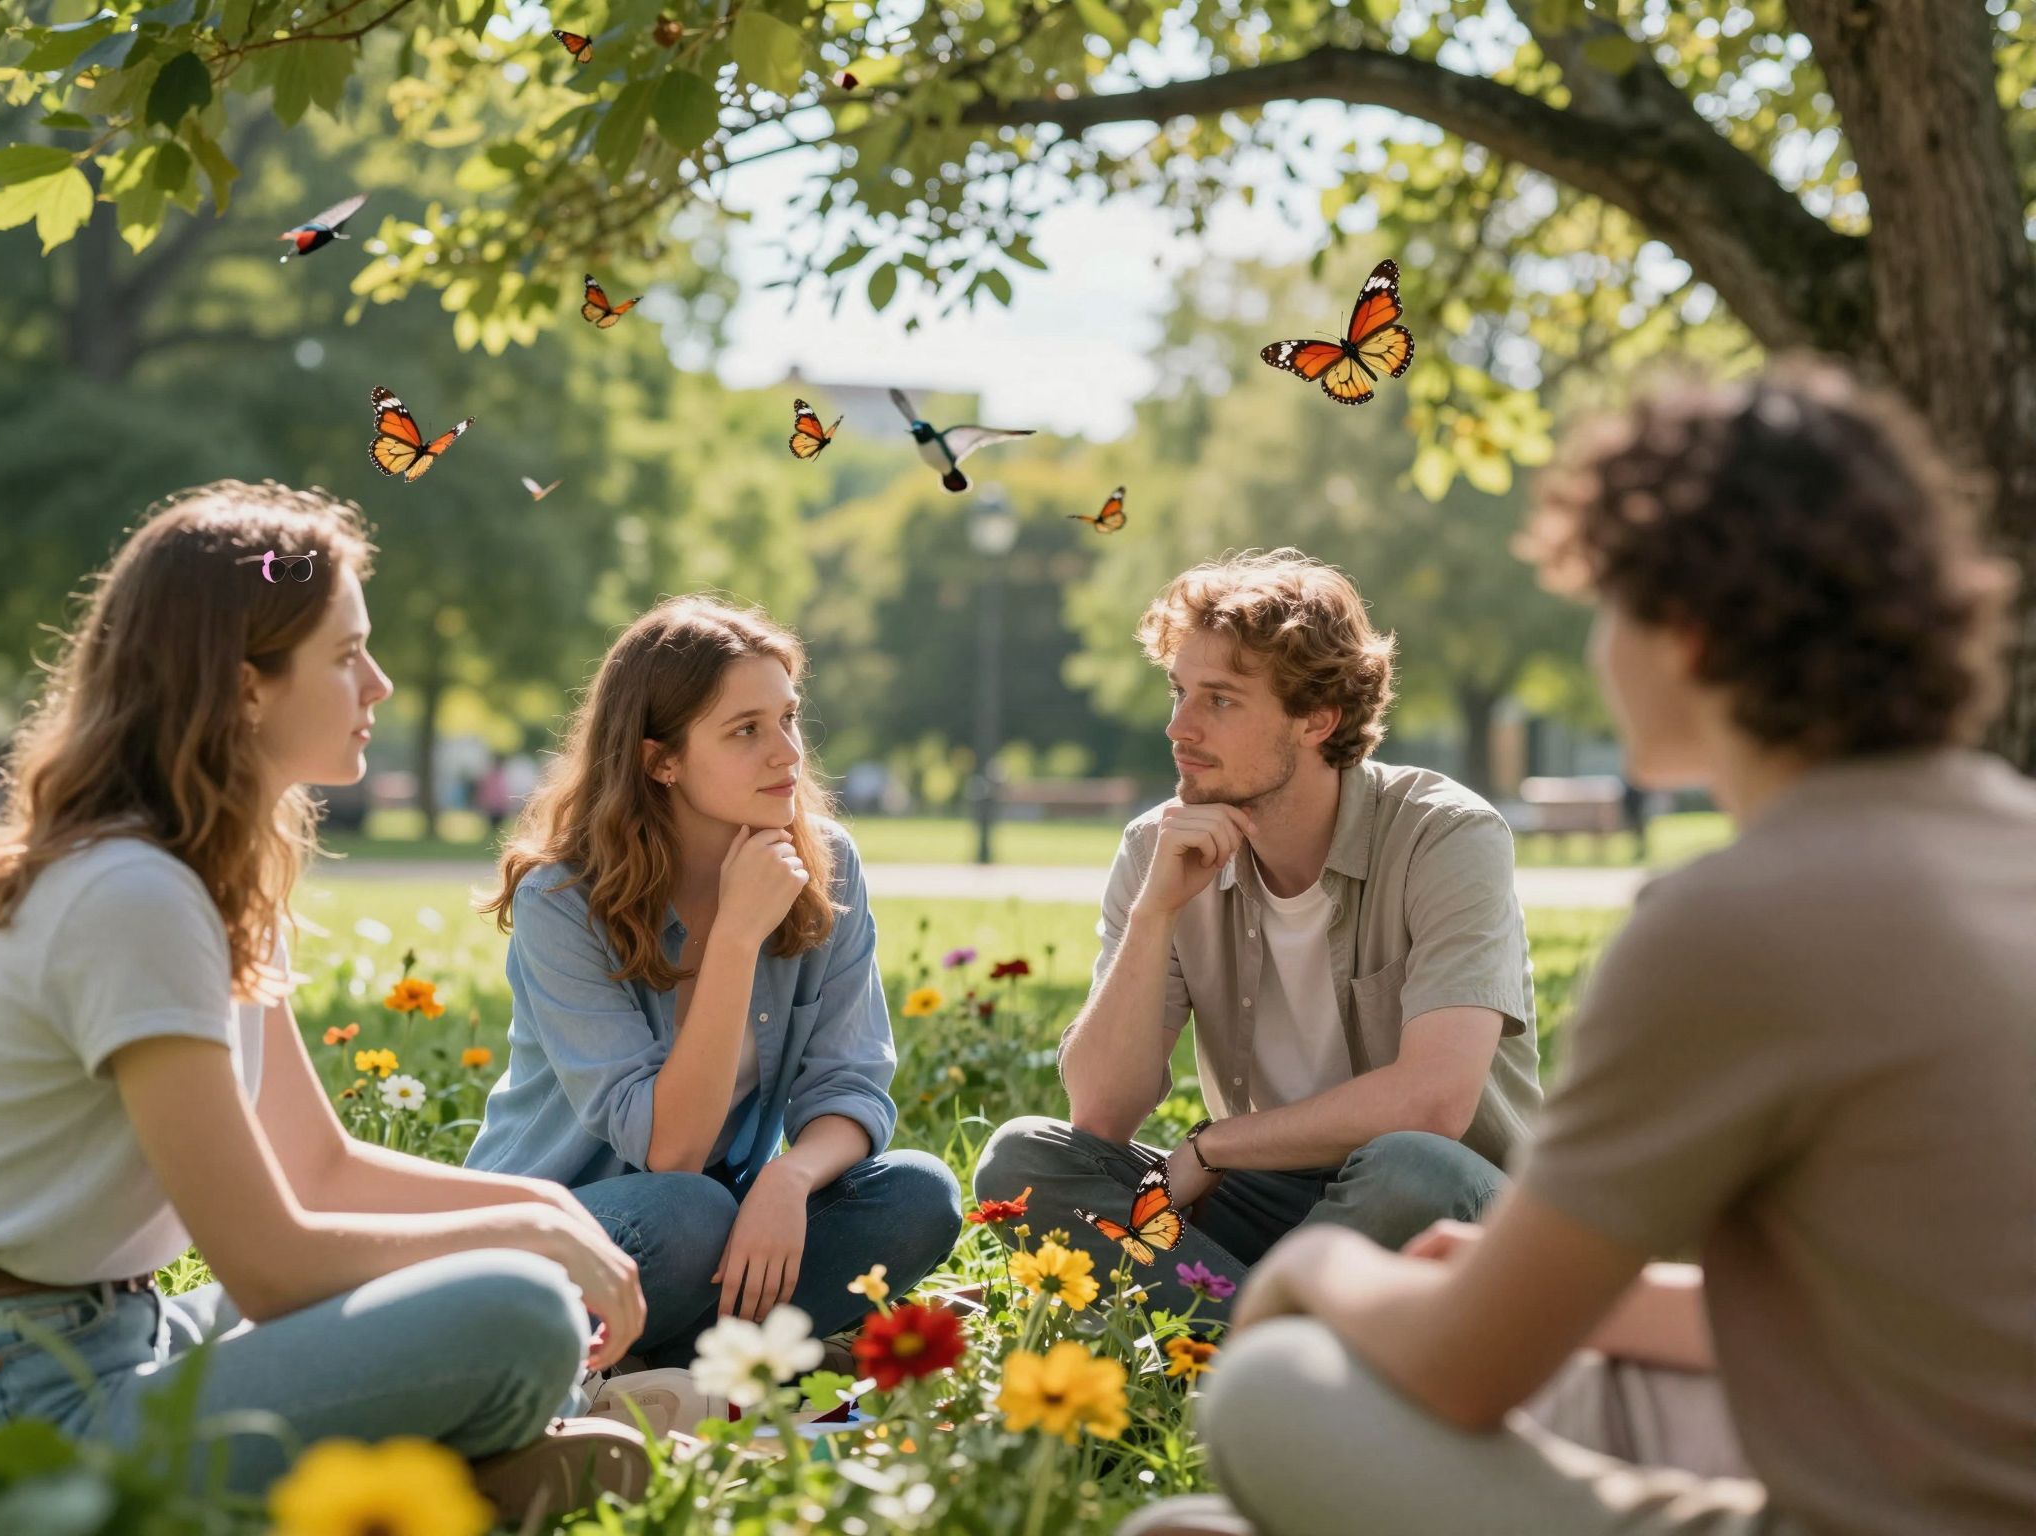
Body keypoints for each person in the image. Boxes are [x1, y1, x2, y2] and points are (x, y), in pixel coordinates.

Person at [1131, 360, 2036, 1536]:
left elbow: (1461, 1371)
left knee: (1268, 1392)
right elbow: (1901, 1311)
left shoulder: (1730, 920)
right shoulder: (2004, 847)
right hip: (1902, 1439)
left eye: (1608, 604)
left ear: (1689, 635)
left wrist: (1314, 1278)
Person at [0, 481, 650, 1522]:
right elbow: (268, 1267)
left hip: (125, 1335)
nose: (378, 684)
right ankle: (454, 1477)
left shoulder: (193, 880)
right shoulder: (132, 896)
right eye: (346, 656)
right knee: (516, 1308)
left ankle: (437, 1475)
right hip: (30, 1406)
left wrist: (542, 1208)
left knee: (502, 1278)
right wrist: (530, 1248)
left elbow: (318, 1166)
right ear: (245, 687)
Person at [975, 549, 1542, 1320]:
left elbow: (1434, 1103)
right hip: (1258, 1204)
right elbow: (1102, 1115)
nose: (1179, 726)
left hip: (1439, 1210)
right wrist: (1155, 914)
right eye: (1179, 692)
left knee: (1411, 1167)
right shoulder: (1158, 847)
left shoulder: (1445, 836)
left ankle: (1205, 1333)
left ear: (1318, 718)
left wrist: (1214, 1148)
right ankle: (1266, 1344)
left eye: (1221, 700)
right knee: (1025, 1159)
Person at [466, 595, 963, 1378]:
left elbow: (850, 1085)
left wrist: (788, 1178)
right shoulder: (562, 898)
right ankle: (693, 1358)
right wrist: (734, 936)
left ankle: (663, 1366)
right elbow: (674, 1148)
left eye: (789, 718)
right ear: (660, 759)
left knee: (916, 1196)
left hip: (716, 1222)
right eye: (745, 731)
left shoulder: (827, 863)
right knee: (689, 1214)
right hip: (559, 1235)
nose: (787, 755)